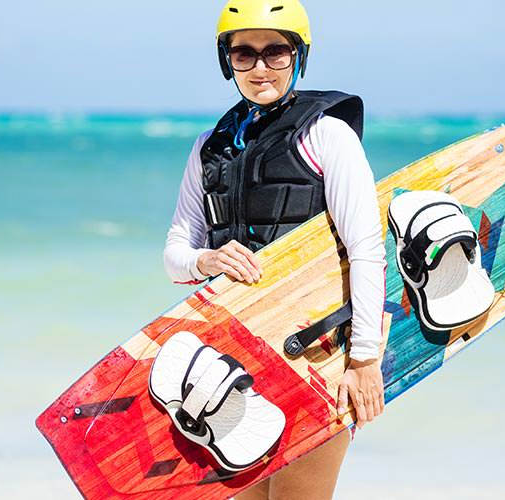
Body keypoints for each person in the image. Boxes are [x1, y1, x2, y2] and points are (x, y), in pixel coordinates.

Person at [162, 1, 386, 498]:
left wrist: (365, 360)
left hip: (318, 354)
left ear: (298, 56)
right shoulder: (209, 148)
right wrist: (205, 259)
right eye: (244, 53)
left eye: (276, 52)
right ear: (227, 60)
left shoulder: (327, 135)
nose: (260, 67)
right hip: (234, 359)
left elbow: (366, 248)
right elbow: (176, 253)